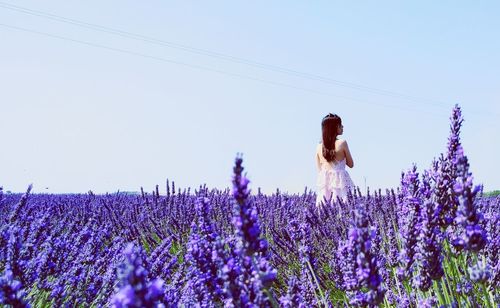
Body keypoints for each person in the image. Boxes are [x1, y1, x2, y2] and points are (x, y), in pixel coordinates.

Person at [315, 113, 355, 208]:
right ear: (334, 128)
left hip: (325, 189)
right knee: (343, 211)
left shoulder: (318, 147)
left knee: (324, 214)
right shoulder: (342, 143)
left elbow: (319, 170)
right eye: (340, 124)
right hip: (340, 185)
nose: (342, 127)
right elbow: (351, 164)